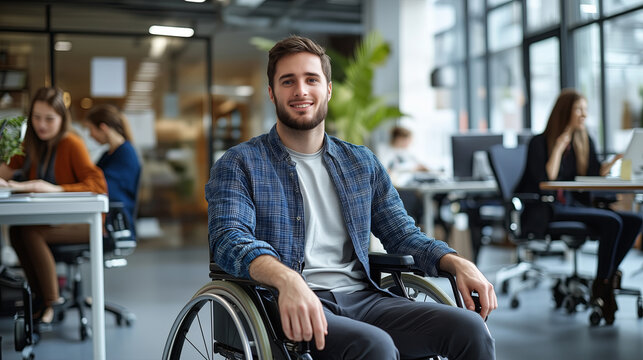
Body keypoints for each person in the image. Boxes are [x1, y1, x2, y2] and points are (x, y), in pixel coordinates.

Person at [206, 35, 496, 360]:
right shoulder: (240, 163)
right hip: (287, 303)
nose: (300, 90)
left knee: (470, 329)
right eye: (288, 81)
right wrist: (286, 278)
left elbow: (401, 233)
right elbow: (229, 239)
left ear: (327, 89)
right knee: (375, 347)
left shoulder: (360, 162)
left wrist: (456, 261)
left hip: (366, 298)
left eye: (311, 79)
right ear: (272, 93)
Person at [515, 89, 643, 325]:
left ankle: (604, 279)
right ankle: (603, 284)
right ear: (565, 112)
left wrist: (615, 161)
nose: (584, 114)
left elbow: (592, 175)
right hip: (549, 209)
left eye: (585, 109)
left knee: (634, 220)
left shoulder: (584, 141)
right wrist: (558, 147)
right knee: (612, 221)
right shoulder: (539, 142)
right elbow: (546, 180)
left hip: (573, 205)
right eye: (579, 109)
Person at [0, 87, 107, 324]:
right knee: (17, 230)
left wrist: (55, 188)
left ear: (61, 119)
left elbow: (98, 184)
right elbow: (6, 169)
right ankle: (38, 299)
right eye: (36, 118)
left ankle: (52, 302)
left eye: (49, 119)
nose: (42, 125)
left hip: (82, 222)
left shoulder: (71, 143)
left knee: (30, 231)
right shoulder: (32, 143)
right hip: (54, 221)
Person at [84, 104, 141, 230]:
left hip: (115, 224)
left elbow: (101, 186)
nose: (90, 135)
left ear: (103, 128)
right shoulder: (107, 154)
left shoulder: (125, 153)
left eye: (91, 129)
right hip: (104, 219)